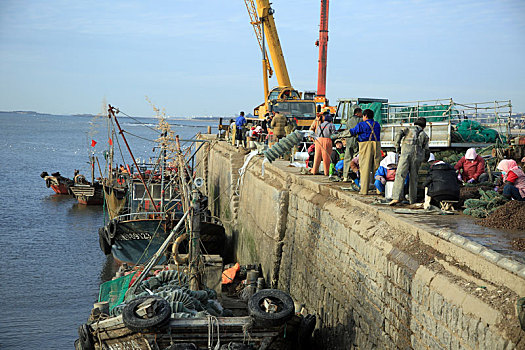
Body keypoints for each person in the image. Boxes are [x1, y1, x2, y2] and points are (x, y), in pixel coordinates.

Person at [389, 117, 430, 205]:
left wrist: (397, 146)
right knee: (414, 178)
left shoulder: (408, 129)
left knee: (400, 174)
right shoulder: (424, 135)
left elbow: (399, 133)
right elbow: (426, 149)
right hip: (417, 157)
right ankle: (412, 200)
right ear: (423, 126)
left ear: (415, 124)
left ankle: (396, 198)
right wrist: (426, 159)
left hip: (405, 154)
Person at [346, 108, 381, 195]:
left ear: (365, 116)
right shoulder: (377, 124)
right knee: (377, 167)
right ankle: (379, 190)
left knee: (365, 168)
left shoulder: (361, 125)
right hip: (376, 145)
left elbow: (353, 132)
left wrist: (339, 135)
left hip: (366, 146)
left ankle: (364, 190)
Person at [336, 108, 363, 182]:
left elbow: (346, 131)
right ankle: (354, 177)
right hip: (356, 141)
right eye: (361, 113)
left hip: (348, 141)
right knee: (356, 159)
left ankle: (345, 176)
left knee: (347, 159)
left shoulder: (348, 121)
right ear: (358, 113)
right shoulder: (360, 120)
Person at [309, 111, 336, 176]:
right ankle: (326, 172)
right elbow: (334, 134)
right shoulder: (331, 125)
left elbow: (317, 133)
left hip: (318, 141)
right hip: (327, 140)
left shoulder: (320, 125)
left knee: (317, 156)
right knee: (326, 157)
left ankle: (314, 171)